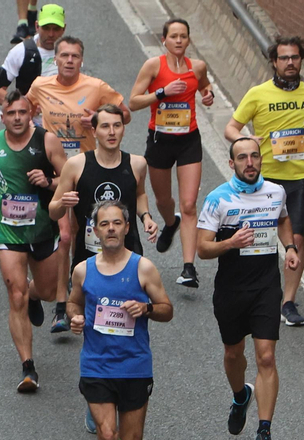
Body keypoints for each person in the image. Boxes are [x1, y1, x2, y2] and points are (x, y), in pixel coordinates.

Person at [63, 201, 172, 440]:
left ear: (127, 228)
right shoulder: (83, 270)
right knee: (106, 435)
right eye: (104, 224)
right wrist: (75, 318)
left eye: (117, 223)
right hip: (96, 366)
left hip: (135, 366)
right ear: (93, 230)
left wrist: (147, 307)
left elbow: (167, 310)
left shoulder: (144, 269)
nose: (110, 228)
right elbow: (73, 302)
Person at [225, 36, 304, 328]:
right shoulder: (258, 94)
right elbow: (231, 127)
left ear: (301, 60)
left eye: (295, 58)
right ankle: (252, 289)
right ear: (274, 62)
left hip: (301, 177)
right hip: (265, 178)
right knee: (258, 238)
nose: (290, 63)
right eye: (284, 58)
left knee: (295, 239)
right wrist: (245, 140)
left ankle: (287, 301)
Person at [197, 137, 299, 440]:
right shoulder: (218, 200)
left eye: (255, 156)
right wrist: (231, 242)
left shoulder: (275, 192)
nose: (250, 162)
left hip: (266, 288)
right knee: (233, 354)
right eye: (242, 158)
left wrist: (291, 248)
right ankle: (240, 396)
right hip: (230, 290)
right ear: (232, 164)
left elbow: (282, 219)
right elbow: (202, 247)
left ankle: (264, 431)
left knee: (266, 357)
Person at [0, 87, 66, 393]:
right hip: (7, 230)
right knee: (16, 295)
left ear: (32, 112)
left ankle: (36, 295)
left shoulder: (46, 141)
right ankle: (28, 368)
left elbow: (71, 177)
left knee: (47, 291)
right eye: (11, 113)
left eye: (23, 112)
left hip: (42, 229)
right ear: (3, 116)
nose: (18, 118)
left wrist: (49, 181)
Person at [26, 37, 127, 320]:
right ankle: (61, 306)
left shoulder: (96, 87)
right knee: (66, 235)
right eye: (64, 56)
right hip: (52, 172)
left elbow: (125, 113)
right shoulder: (40, 85)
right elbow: (25, 110)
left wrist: (98, 118)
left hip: (86, 170)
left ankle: (71, 287)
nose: (69, 61)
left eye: (75, 56)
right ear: (55, 60)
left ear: (81, 61)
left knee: (78, 235)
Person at [127, 17, 212, 288]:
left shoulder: (197, 67)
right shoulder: (154, 66)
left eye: (183, 36)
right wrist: (162, 92)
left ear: (188, 40)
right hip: (160, 140)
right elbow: (133, 101)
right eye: (173, 36)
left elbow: (204, 85)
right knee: (165, 201)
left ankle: (188, 268)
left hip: (189, 140)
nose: (178, 40)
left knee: (189, 205)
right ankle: (169, 222)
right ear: (164, 40)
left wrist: (207, 94)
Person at [50, 107, 155, 275]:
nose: (112, 132)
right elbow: (53, 211)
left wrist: (146, 217)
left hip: (128, 252)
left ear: (124, 130)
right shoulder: (76, 165)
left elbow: (140, 194)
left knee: (130, 301)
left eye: (117, 126)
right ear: (94, 131)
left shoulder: (138, 164)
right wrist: (63, 203)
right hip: (88, 256)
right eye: (105, 126)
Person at [0, 2, 61, 104]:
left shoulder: (70, 53)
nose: (51, 34)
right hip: (32, 119)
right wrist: (25, 105)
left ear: (64, 28)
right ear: (37, 26)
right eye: (46, 28)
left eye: (56, 29)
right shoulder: (21, 51)